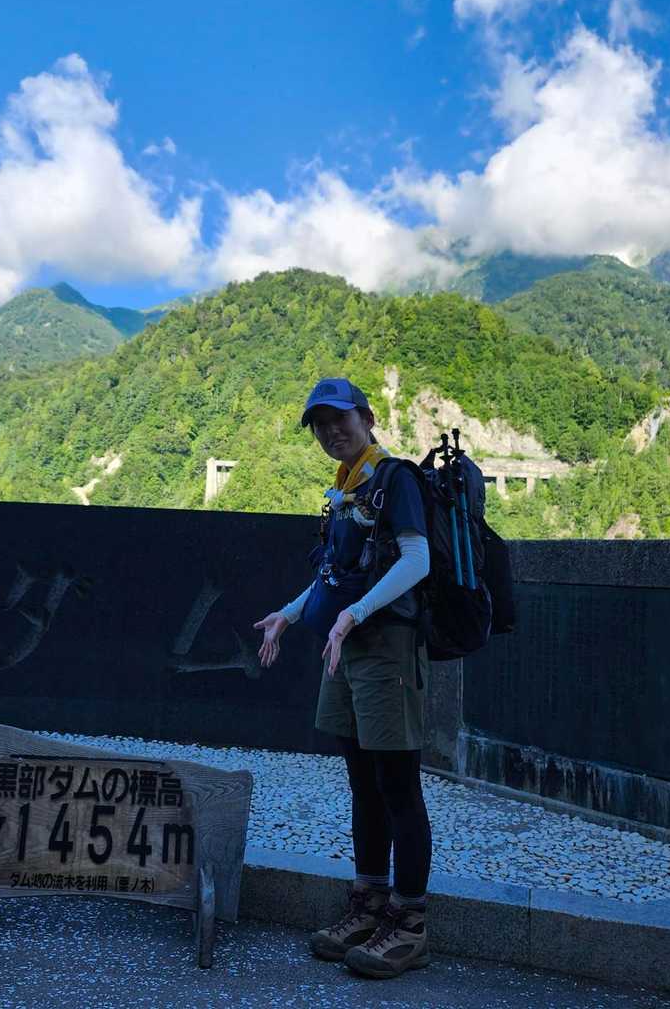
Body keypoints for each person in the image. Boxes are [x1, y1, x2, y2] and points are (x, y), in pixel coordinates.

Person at [254, 377, 433, 979]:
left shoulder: (394, 479)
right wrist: (288, 614)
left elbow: (417, 560)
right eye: (320, 425)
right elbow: (334, 574)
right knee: (363, 783)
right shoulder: (346, 488)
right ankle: (369, 904)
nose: (332, 431)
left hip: (386, 650)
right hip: (347, 649)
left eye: (340, 419)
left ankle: (409, 925)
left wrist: (356, 613)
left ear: (367, 417)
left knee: (398, 786)